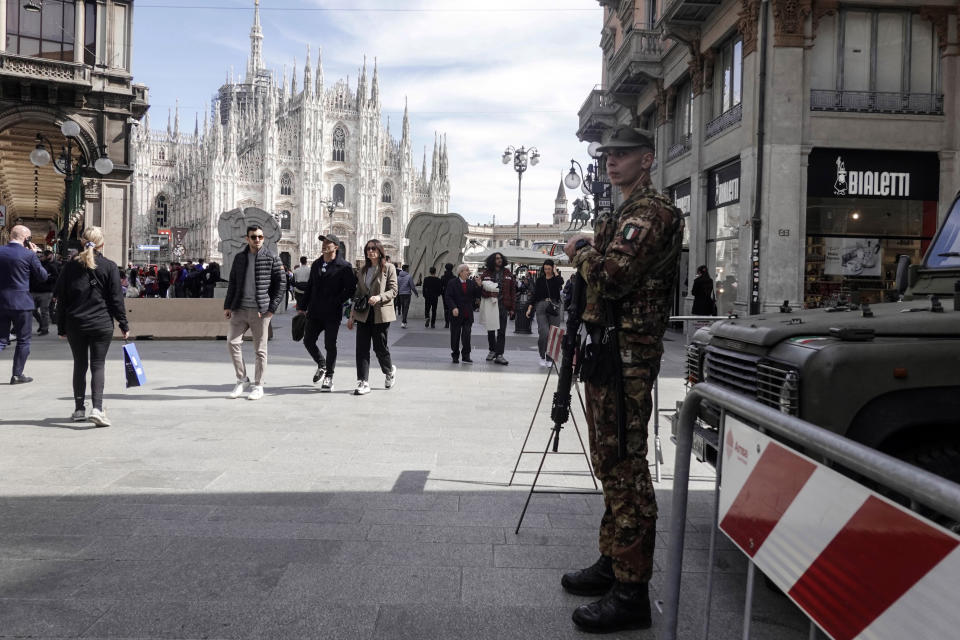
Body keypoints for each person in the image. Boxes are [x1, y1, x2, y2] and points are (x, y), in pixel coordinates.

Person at [561, 126, 684, 633]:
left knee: (626, 466)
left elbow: (612, 276)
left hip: (629, 355)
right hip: (609, 353)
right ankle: (613, 561)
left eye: (623, 155)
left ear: (647, 159)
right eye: (607, 155)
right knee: (609, 458)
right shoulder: (623, 213)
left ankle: (632, 590)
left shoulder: (652, 213)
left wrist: (580, 252)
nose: (611, 162)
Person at [55, 226, 130, 426]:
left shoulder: (69, 267)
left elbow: (61, 299)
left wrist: (61, 327)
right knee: (98, 365)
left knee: (80, 365)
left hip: (75, 324)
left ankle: (79, 409)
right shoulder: (110, 266)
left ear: (81, 242)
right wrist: (123, 323)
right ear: (102, 244)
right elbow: (116, 299)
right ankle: (97, 408)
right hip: (101, 323)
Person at [223, 224, 285, 401]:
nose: (257, 240)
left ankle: (258, 385)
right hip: (239, 309)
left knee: (260, 350)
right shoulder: (239, 258)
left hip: (260, 312)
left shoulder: (272, 257)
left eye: (260, 237)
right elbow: (233, 283)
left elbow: (281, 285)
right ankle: (242, 379)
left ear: (263, 238)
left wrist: (271, 309)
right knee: (232, 342)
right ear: (247, 238)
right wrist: (228, 305)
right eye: (253, 237)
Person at [299, 234, 357, 392]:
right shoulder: (317, 263)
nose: (324, 245)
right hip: (315, 311)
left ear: (336, 247)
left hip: (332, 312)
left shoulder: (344, 266)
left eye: (328, 243)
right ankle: (321, 363)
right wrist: (302, 305)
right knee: (308, 341)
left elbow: (351, 289)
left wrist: (337, 300)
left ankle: (329, 376)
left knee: (330, 344)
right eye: (323, 242)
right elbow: (310, 286)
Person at [346, 239, 397, 395]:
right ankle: (363, 381)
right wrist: (351, 315)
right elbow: (358, 294)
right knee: (361, 348)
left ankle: (389, 371)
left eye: (374, 248)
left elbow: (394, 290)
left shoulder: (388, 268)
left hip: (380, 313)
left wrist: (379, 297)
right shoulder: (362, 270)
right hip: (363, 314)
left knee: (379, 347)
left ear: (380, 251)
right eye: (368, 249)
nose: (370, 251)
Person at [0, 225, 47, 384]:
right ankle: (17, 374)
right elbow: (42, 276)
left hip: (1, 301)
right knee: (23, 340)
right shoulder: (28, 255)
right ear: (26, 238)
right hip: (22, 303)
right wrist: (34, 256)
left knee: (0, 339)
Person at [479, 252, 516, 365]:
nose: (499, 260)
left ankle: (499, 354)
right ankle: (492, 350)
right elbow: (481, 290)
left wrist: (512, 308)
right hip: (491, 305)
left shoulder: (507, 273)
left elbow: (512, 291)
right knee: (491, 329)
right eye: (496, 258)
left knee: (501, 331)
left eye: (500, 258)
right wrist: (489, 294)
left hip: (503, 306)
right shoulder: (486, 273)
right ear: (492, 261)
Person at [526, 259, 564, 367]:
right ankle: (542, 356)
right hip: (541, 306)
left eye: (549, 268)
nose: (547, 271)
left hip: (554, 307)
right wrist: (530, 308)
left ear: (553, 268)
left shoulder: (556, 279)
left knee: (553, 334)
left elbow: (561, 282)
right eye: (545, 269)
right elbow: (535, 295)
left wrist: (556, 272)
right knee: (544, 333)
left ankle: (550, 358)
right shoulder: (540, 280)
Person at [444, 264, 481, 364]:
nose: (468, 272)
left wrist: (479, 285)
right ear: (460, 272)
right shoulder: (452, 283)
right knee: (455, 336)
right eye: (466, 270)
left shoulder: (471, 283)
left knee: (466, 336)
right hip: (456, 314)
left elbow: (477, 295)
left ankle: (466, 355)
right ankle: (455, 355)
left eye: (468, 270)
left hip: (467, 315)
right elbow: (448, 297)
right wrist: (453, 307)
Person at [31, 250, 60, 336]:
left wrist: (46, 278)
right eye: (39, 256)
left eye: (42, 256)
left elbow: (56, 278)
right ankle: (41, 324)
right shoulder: (34, 266)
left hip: (46, 292)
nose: (40, 258)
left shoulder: (51, 266)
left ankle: (45, 329)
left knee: (44, 311)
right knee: (32, 310)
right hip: (34, 291)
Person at [395, 264, 418, 329]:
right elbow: (412, 287)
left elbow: (397, 286)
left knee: (403, 307)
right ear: (407, 269)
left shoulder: (398, 277)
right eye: (408, 268)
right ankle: (404, 321)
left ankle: (403, 321)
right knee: (406, 308)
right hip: (407, 294)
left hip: (401, 294)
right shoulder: (409, 276)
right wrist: (416, 293)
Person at [439, 263, 455, 329]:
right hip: (453, 295)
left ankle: (447, 323)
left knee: (446, 309)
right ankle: (452, 322)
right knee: (452, 308)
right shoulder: (454, 277)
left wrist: (441, 293)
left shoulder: (443, 277)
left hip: (445, 294)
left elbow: (440, 287)